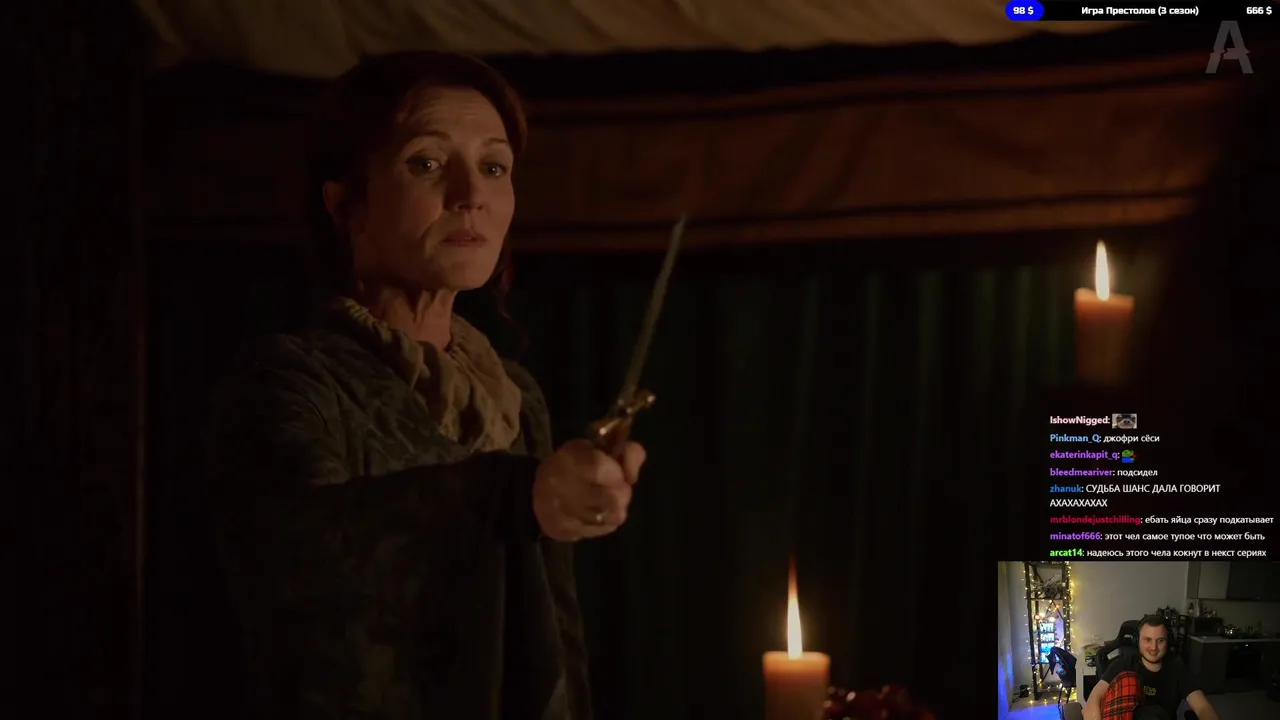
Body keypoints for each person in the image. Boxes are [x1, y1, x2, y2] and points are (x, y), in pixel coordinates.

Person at [204, 51, 646, 719]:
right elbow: (300, 552)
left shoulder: (515, 395)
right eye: (428, 163)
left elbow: (556, 634)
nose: (471, 195)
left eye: (494, 167)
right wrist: (515, 497)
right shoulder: (290, 379)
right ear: (346, 206)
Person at [1075, 615, 1219, 720]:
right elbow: (1094, 699)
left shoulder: (1177, 667)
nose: (1154, 648)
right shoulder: (1124, 663)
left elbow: (1203, 707)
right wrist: (1093, 711)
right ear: (1138, 641)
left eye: (1160, 641)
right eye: (1147, 640)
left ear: (1168, 642)